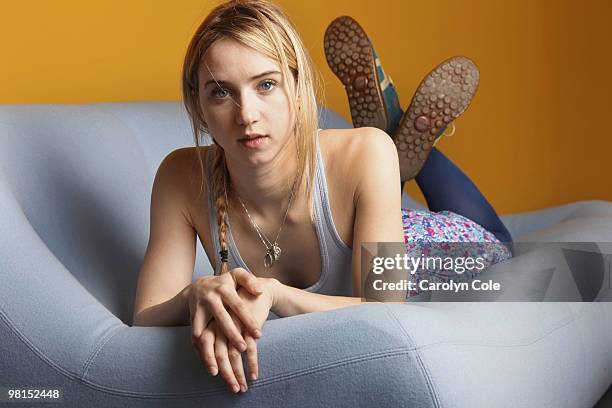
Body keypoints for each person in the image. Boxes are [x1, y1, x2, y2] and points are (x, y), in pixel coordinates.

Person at [132, 0, 511, 395]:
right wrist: (195, 294)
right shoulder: (180, 177)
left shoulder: (365, 151)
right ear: (198, 106)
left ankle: (400, 132)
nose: (246, 114)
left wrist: (274, 293)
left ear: (298, 89)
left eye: (266, 84)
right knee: (377, 166)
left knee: (501, 243)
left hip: (415, 251)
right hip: (364, 214)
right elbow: (146, 315)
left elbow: (385, 310)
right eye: (221, 92)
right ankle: (394, 148)